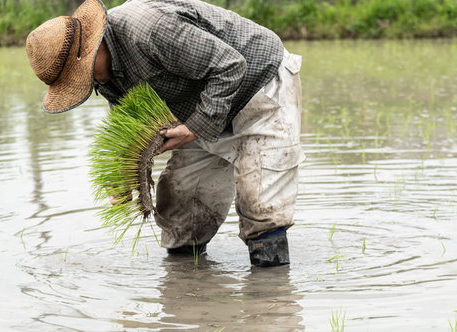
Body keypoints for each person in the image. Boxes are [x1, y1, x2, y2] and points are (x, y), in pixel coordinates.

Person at [25, 0, 304, 267]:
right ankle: (185, 296)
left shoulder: (149, 29)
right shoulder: (104, 74)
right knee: (181, 213)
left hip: (260, 85)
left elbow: (230, 66)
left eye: (83, 75)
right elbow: (128, 116)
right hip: (200, 103)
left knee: (262, 206)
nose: (89, 84)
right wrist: (123, 174)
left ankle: (271, 297)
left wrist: (195, 127)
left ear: (91, 49)